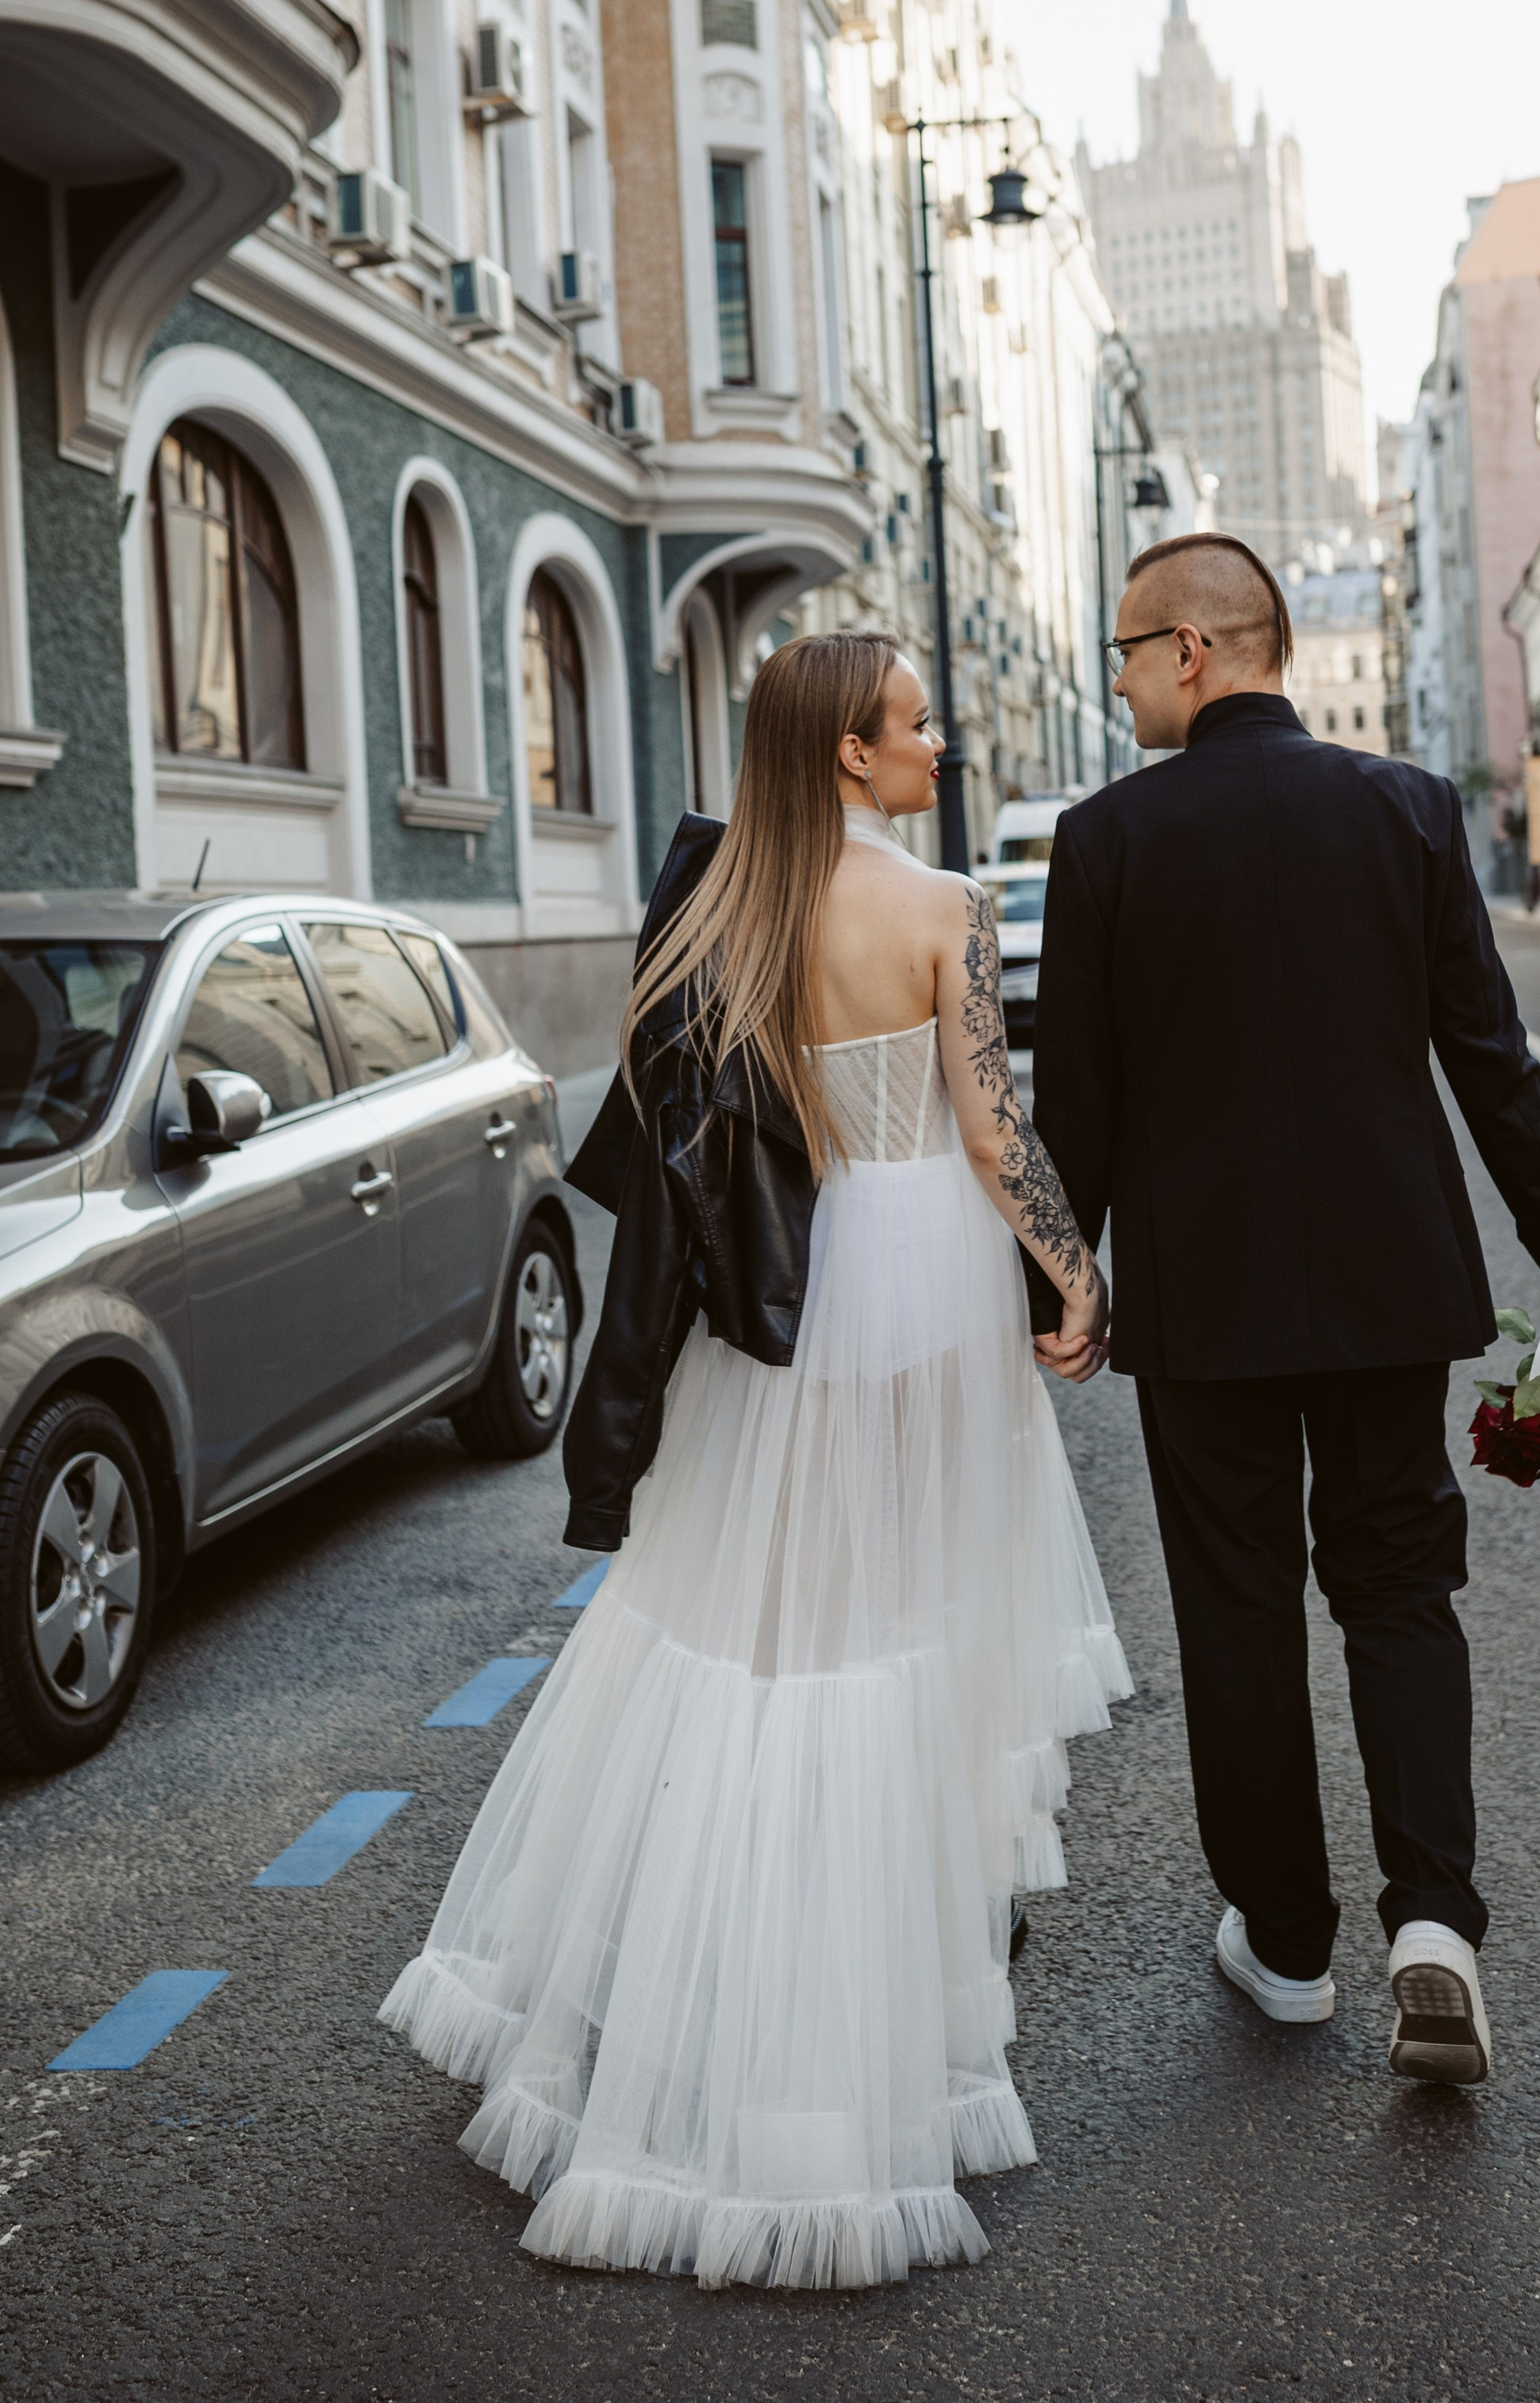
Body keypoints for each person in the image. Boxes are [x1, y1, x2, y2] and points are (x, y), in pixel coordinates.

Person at [382, 632, 1128, 2286]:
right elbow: (992, 1131)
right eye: (914, 725)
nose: (939, 744)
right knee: (901, 1628)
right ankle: (845, 2055)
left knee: (754, 1625)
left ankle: (678, 2017)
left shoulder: (718, 907)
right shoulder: (941, 907)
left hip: (781, 1295)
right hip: (922, 1276)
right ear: (849, 757)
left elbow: (680, 1141)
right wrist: (1072, 1271)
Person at [1023, 532, 1540, 2085]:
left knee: (1234, 1612)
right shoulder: (1406, 812)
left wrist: (1064, 1283)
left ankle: (1285, 1946)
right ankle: (1431, 1921)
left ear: (1196, 653)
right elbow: (1488, 1058)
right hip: (1385, 1285)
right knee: (1397, 1587)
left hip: (1201, 1301)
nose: (1122, 681)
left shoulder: (1103, 842)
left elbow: (1072, 1104)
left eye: (1128, 653)